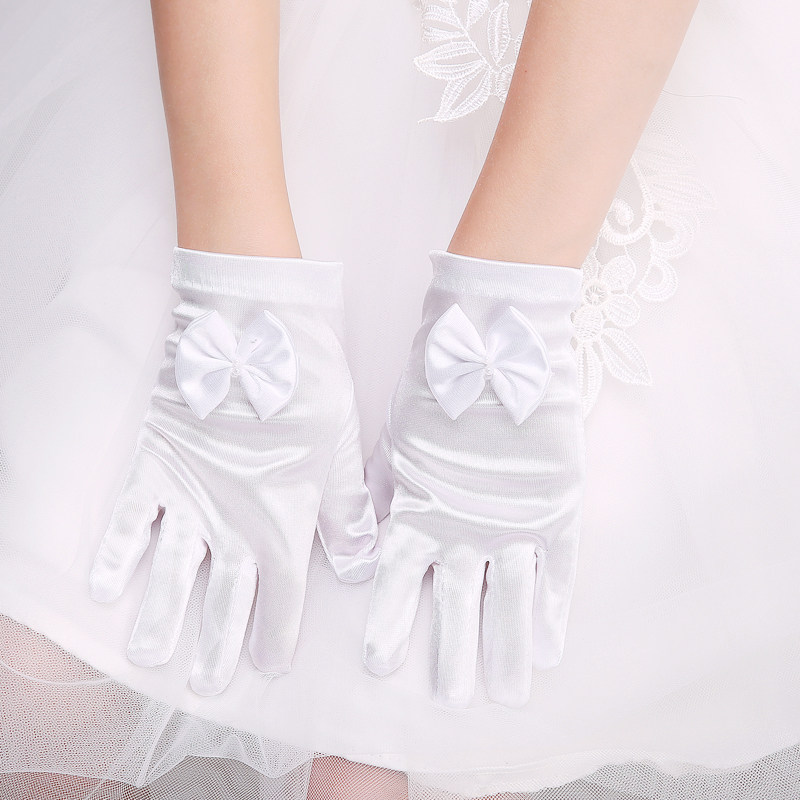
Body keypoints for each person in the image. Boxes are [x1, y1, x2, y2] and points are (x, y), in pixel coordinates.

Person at [1, 0, 799, 798]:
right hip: (250, 64)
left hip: (595, 98)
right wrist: (237, 292)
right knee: (46, 677)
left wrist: (505, 308)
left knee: (409, 723)